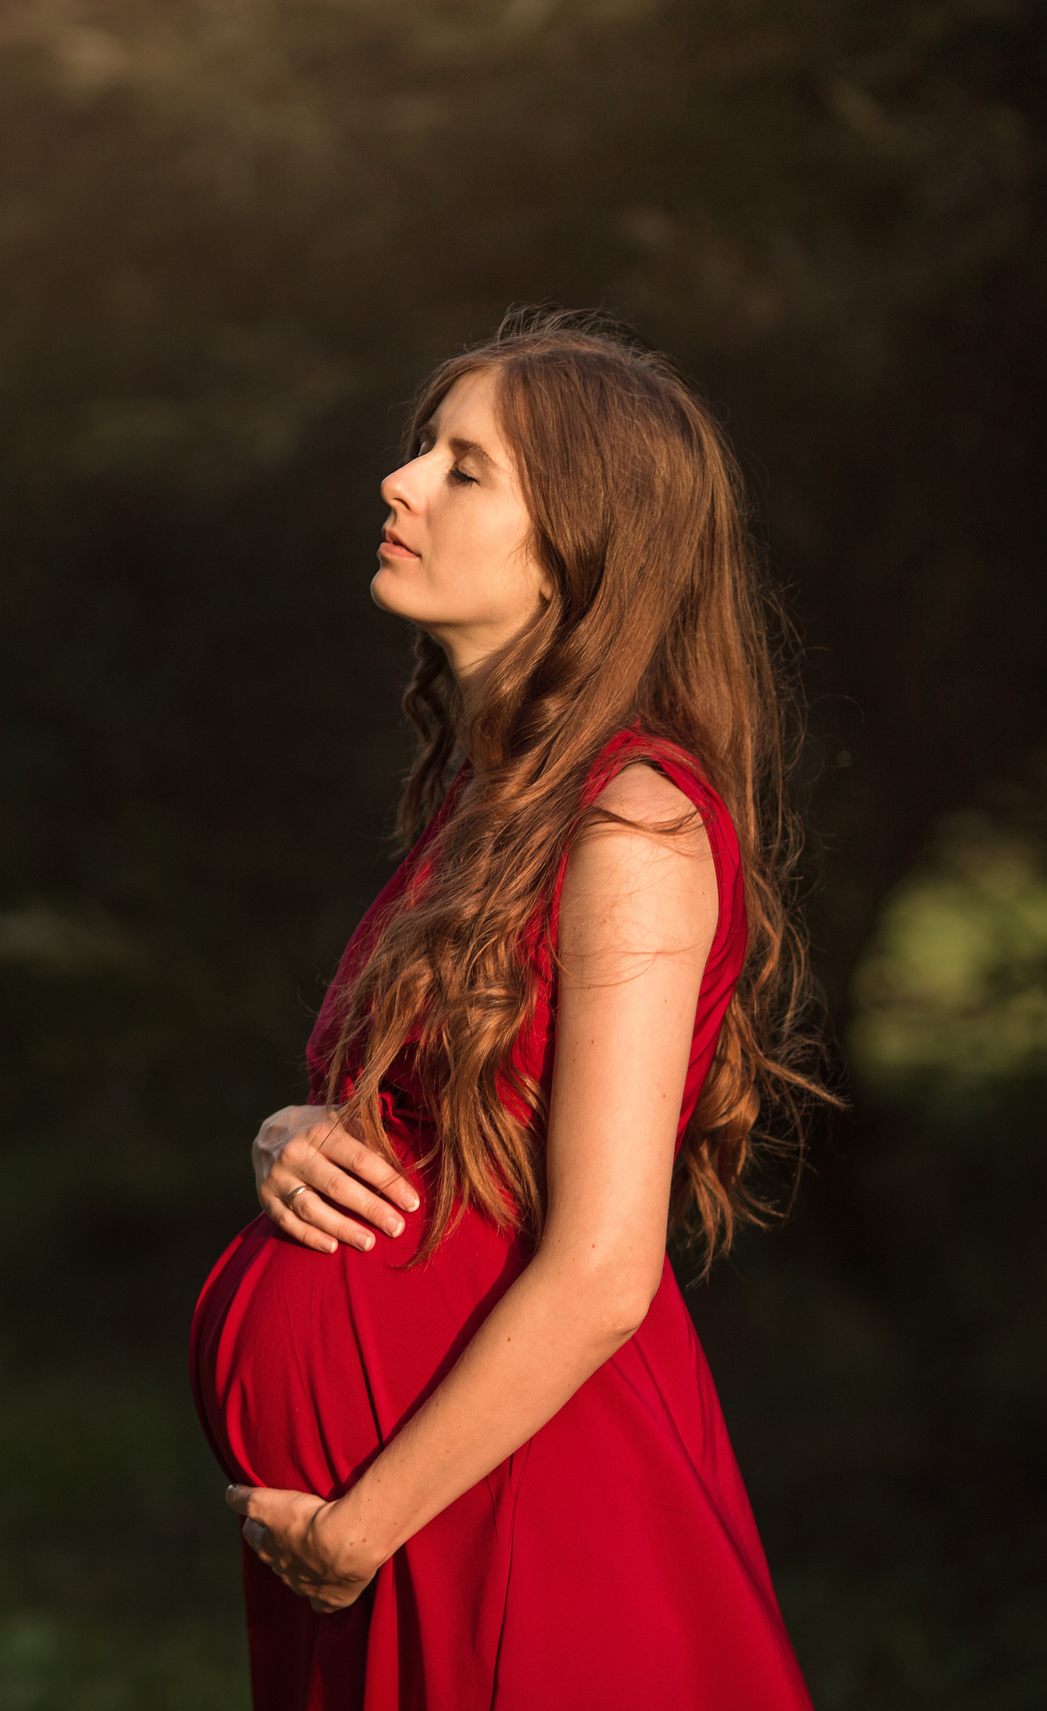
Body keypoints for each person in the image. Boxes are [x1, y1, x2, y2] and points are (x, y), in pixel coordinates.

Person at [190, 312, 827, 1710]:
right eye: (424, 451)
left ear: (579, 549)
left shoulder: (634, 828)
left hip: (507, 1512)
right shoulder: (498, 811)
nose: (401, 483)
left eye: (463, 468)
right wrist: (297, 1132)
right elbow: (449, 1133)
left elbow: (606, 1267)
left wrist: (356, 1533)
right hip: (402, 1518)